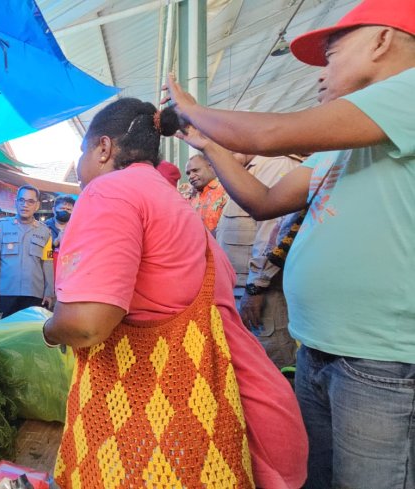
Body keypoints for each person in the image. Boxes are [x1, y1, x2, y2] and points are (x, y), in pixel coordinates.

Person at [165, 0, 415, 486]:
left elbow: (274, 134)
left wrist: (191, 109)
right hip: (321, 345)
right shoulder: (346, 144)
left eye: (332, 54)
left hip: (382, 357)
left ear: (382, 40)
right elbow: (263, 199)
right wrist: (213, 146)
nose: (322, 74)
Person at [43, 98, 307, 488]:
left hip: (166, 425)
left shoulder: (110, 192)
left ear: (103, 148)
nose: (81, 172)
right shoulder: (172, 200)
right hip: (251, 409)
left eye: (82, 155)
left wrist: (50, 330)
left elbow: (86, 325)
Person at [215, 153, 302, 369]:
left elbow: (273, 233)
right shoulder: (244, 170)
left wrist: (256, 289)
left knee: (273, 366)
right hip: (241, 295)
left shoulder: (275, 165)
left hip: (263, 298)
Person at [0, 185, 55, 317]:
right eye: (21, 200)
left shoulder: (45, 231)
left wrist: (49, 292)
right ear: (16, 202)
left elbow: (47, 263)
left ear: (37, 205)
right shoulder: (1, 226)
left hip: (34, 293)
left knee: (29, 333)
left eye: (30, 201)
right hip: (6, 292)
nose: (25, 205)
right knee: (5, 331)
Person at [185, 153, 228, 233]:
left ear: (210, 167)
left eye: (195, 170)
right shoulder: (186, 195)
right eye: (188, 173)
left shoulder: (227, 191)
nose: (191, 176)